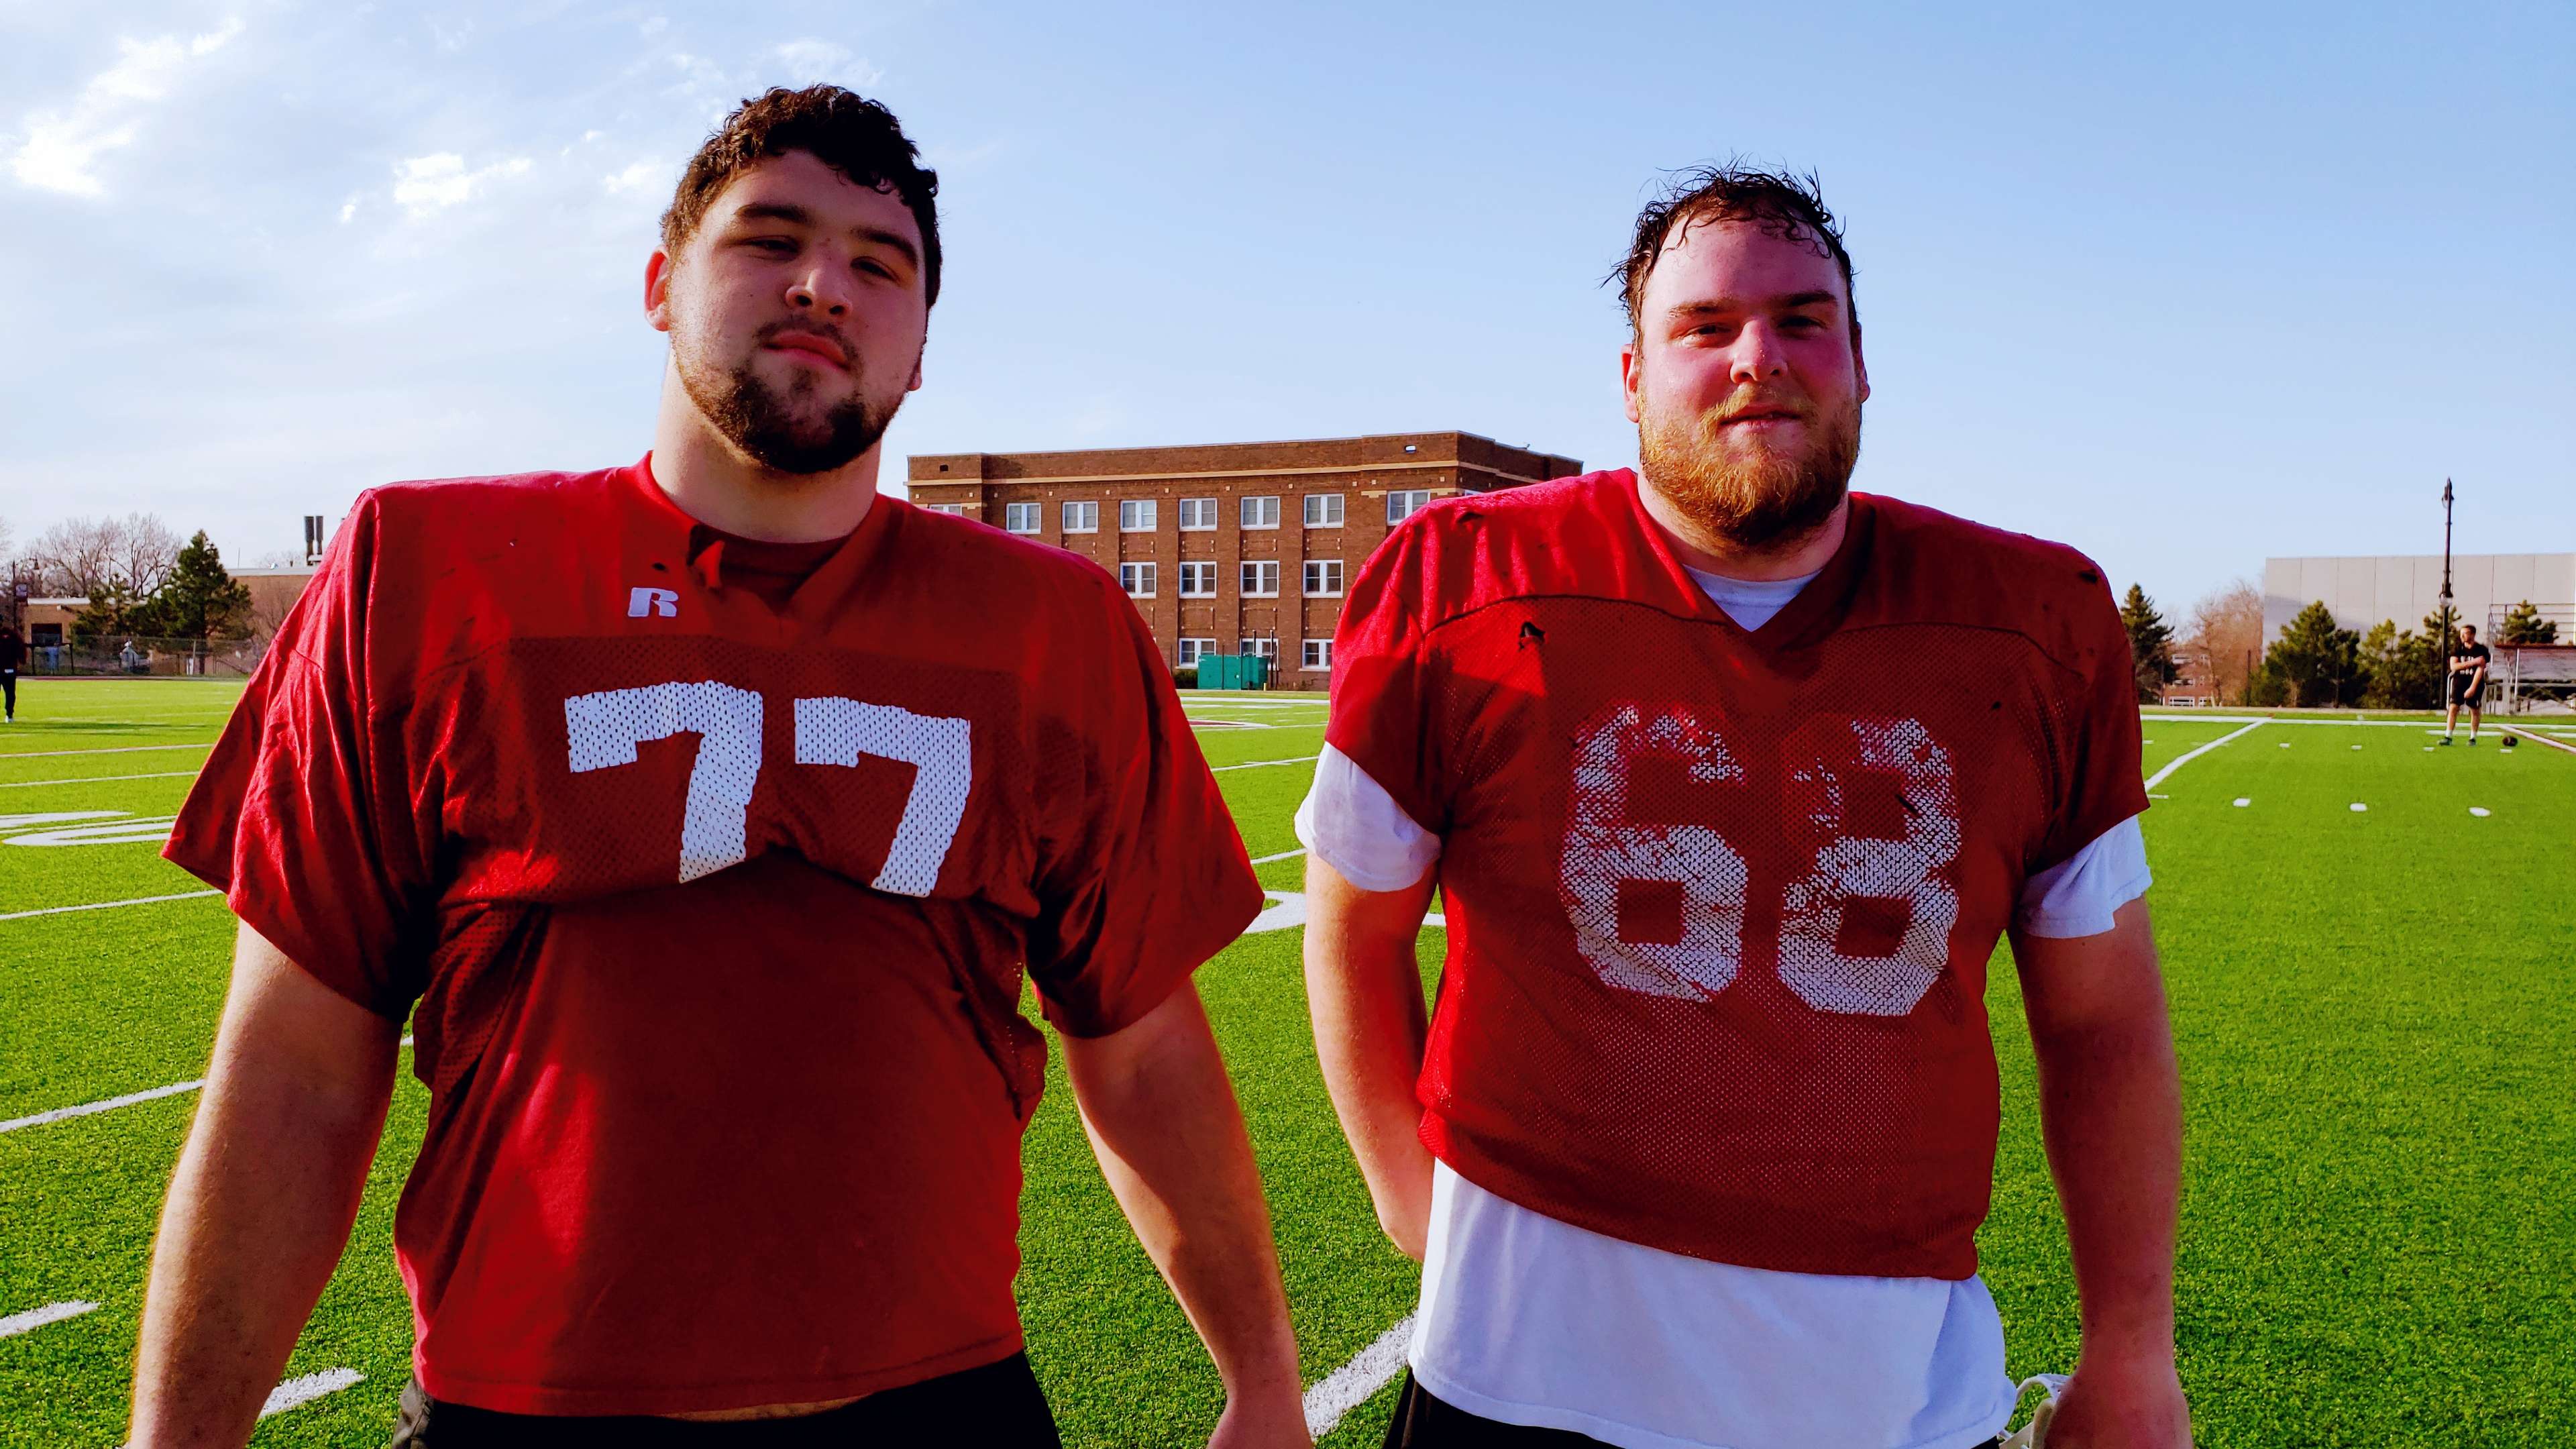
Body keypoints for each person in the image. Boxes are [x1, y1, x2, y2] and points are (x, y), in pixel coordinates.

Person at [138, 86, 1309, 1448]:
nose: (824, 285)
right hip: (524, 1409)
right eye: (770, 238)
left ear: (920, 348)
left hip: (943, 1409)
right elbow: (294, 1063)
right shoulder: (426, 569)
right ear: (658, 284)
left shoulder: (1055, 628)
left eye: (882, 266)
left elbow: (1144, 1043)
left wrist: (1265, 1380)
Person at [1301, 166, 2190, 1449]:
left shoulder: (2033, 624)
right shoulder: (1462, 580)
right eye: (1705, 327)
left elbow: (2103, 1017)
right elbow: (1354, 927)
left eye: (1801, 320)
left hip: (1887, 1390)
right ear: (1632, 378)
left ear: (1863, 362)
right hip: (1513, 1373)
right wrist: (1407, 1200)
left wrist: (2132, 1352)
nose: (1757, 359)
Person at [2442, 623, 2489, 744]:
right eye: (2461, 633)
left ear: (2472, 635)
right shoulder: (2458, 648)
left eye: (2465, 633)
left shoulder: (2481, 649)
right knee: (2453, 707)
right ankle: (2448, 736)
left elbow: (2480, 668)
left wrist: (2473, 688)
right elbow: (2454, 666)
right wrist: (2474, 662)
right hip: (2459, 682)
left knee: (2474, 709)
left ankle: (2473, 738)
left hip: (2475, 682)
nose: (2462, 636)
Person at [0, 624, 19, 722]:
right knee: (10, 693)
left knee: (10, 693)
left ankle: (9, 714)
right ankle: (9, 714)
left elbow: (20, 651)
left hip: (9, 669)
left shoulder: (14, 638)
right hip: (9, 669)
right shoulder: (14, 638)